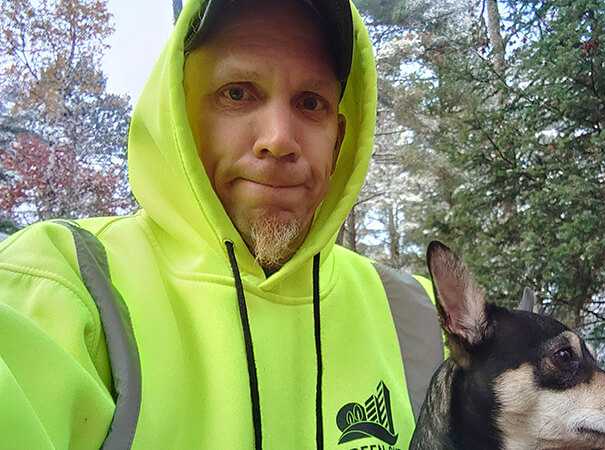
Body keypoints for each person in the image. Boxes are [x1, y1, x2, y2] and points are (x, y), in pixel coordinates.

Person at [0, 0, 444, 448]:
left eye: (311, 103)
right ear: (182, 117)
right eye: (237, 93)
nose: (278, 140)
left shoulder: (419, 316)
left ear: (339, 141)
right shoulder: (62, 283)